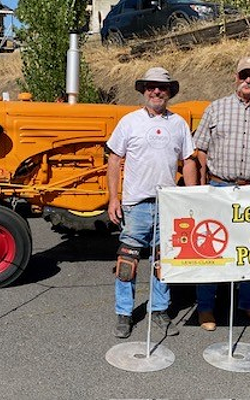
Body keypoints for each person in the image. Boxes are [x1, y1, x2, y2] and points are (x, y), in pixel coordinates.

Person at [193, 56, 250, 331]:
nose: (248, 80)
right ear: (235, 77)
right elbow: (201, 150)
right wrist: (201, 188)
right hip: (219, 186)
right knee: (211, 248)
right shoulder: (216, 108)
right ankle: (206, 308)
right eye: (244, 75)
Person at [106, 67, 197, 338]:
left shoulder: (178, 124)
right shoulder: (129, 122)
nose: (156, 91)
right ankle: (124, 313)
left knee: (163, 261)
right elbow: (114, 160)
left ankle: (159, 311)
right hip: (136, 205)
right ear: (144, 90)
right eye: (151, 86)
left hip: (168, 205)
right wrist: (114, 198)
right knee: (127, 261)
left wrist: (191, 198)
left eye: (162, 87)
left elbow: (189, 160)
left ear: (169, 92)